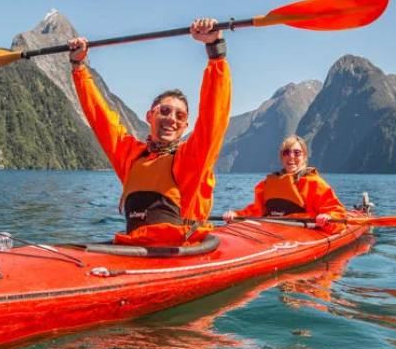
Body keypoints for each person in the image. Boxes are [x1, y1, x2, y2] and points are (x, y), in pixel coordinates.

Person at [69, 18, 231, 246]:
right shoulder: (131, 157)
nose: (171, 119)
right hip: (133, 251)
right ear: (150, 116)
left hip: (179, 255)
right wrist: (78, 68)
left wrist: (216, 51)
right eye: (164, 111)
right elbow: (100, 118)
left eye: (180, 116)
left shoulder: (190, 161)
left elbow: (214, 117)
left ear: (185, 127)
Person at [222, 135, 347, 234]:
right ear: (281, 157)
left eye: (297, 152)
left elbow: (338, 214)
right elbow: (256, 210)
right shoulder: (267, 184)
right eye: (286, 152)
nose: (291, 157)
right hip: (271, 230)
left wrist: (327, 217)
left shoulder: (314, 183)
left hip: (303, 231)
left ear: (304, 156)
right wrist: (236, 215)